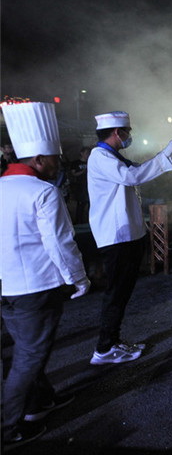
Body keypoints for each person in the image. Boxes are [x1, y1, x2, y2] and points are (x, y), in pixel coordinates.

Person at [0, 102, 91, 448]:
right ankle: (9, 429)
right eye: (54, 157)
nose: (59, 162)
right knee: (28, 358)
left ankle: (40, 403)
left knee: (28, 349)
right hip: (35, 288)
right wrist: (79, 279)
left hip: (8, 286)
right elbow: (60, 243)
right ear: (38, 159)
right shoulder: (43, 192)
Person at [87, 111, 172, 365]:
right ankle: (105, 348)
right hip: (117, 238)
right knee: (116, 293)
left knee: (122, 292)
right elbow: (133, 176)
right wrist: (165, 155)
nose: (130, 135)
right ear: (118, 132)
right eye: (128, 131)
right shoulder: (101, 157)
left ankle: (113, 342)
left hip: (126, 235)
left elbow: (135, 172)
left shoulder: (112, 157)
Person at [69, 146, 91, 224]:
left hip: (89, 186)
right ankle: (79, 221)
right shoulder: (76, 163)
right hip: (80, 186)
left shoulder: (91, 162)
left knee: (90, 204)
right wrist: (83, 171)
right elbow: (73, 174)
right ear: (81, 153)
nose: (88, 155)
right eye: (86, 153)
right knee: (81, 204)